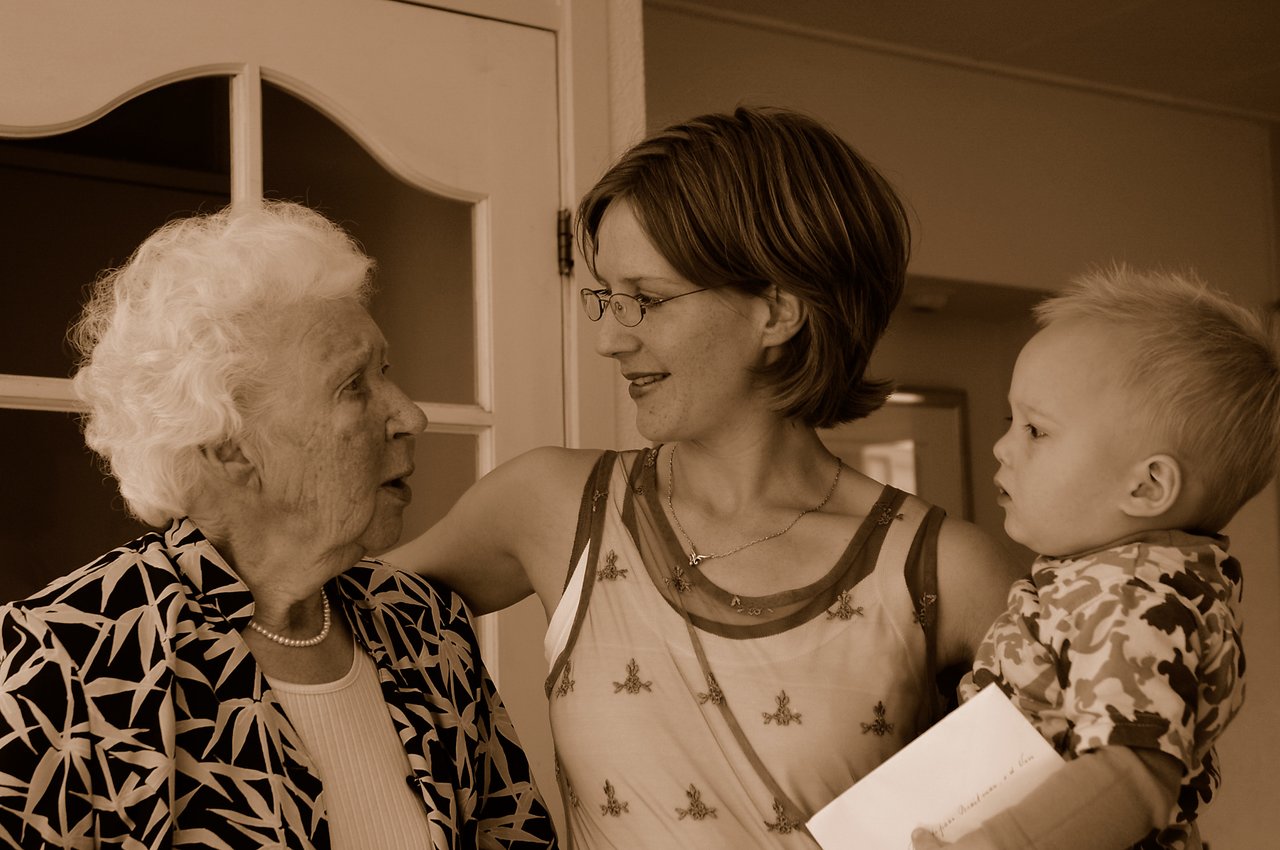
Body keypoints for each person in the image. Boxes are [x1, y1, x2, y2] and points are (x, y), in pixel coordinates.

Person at [389, 106, 1022, 848]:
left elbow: (1081, 796)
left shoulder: (945, 568)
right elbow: (319, 617)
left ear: (778, 311)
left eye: (647, 299)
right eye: (608, 295)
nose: (609, 337)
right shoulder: (551, 505)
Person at [0, 201, 558, 849]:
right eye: (354, 385)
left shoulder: (424, 627)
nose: (409, 416)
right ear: (229, 446)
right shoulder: (60, 661)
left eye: (386, 373)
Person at [911, 267, 1279, 850]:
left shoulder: (1135, 595)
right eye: (1013, 422)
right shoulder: (1106, 581)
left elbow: (1132, 778)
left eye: (1037, 430)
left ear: (1146, 487)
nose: (1003, 446)